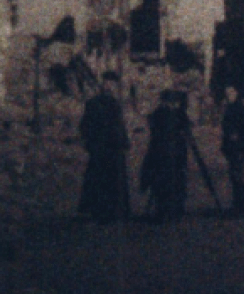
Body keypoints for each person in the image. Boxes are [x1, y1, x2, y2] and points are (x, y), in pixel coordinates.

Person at [77, 72, 130, 223]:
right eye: (107, 83)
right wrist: (89, 141)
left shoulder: (115, 103)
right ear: (102, 84)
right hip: (100, 146)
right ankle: (97, 210)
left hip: (114, 147)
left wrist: (123, 141)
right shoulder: (93, 103)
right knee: (98, 178)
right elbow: (85, 124)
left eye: (112, 83)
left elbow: (120, 125)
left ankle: (114, 210)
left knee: (114, 179)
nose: (109, 86)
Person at [140, 90, 191, 222]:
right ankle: (166, 210)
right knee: (166, 182)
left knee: (169, 182)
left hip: (169, 154)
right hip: (167, 154)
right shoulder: (163, 114)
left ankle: (167, 210)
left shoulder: (163, 113)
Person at [220, 85, 244, 213]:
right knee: (235, 175)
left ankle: (240, 204)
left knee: (238, 175)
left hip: (238, 147)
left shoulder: (239, 109)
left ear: (236, 93)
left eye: (231, 93)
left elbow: (242, 127)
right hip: (232, 147)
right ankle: (238, 203)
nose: (228, 96)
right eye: (227, 93)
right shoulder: (230, 108)